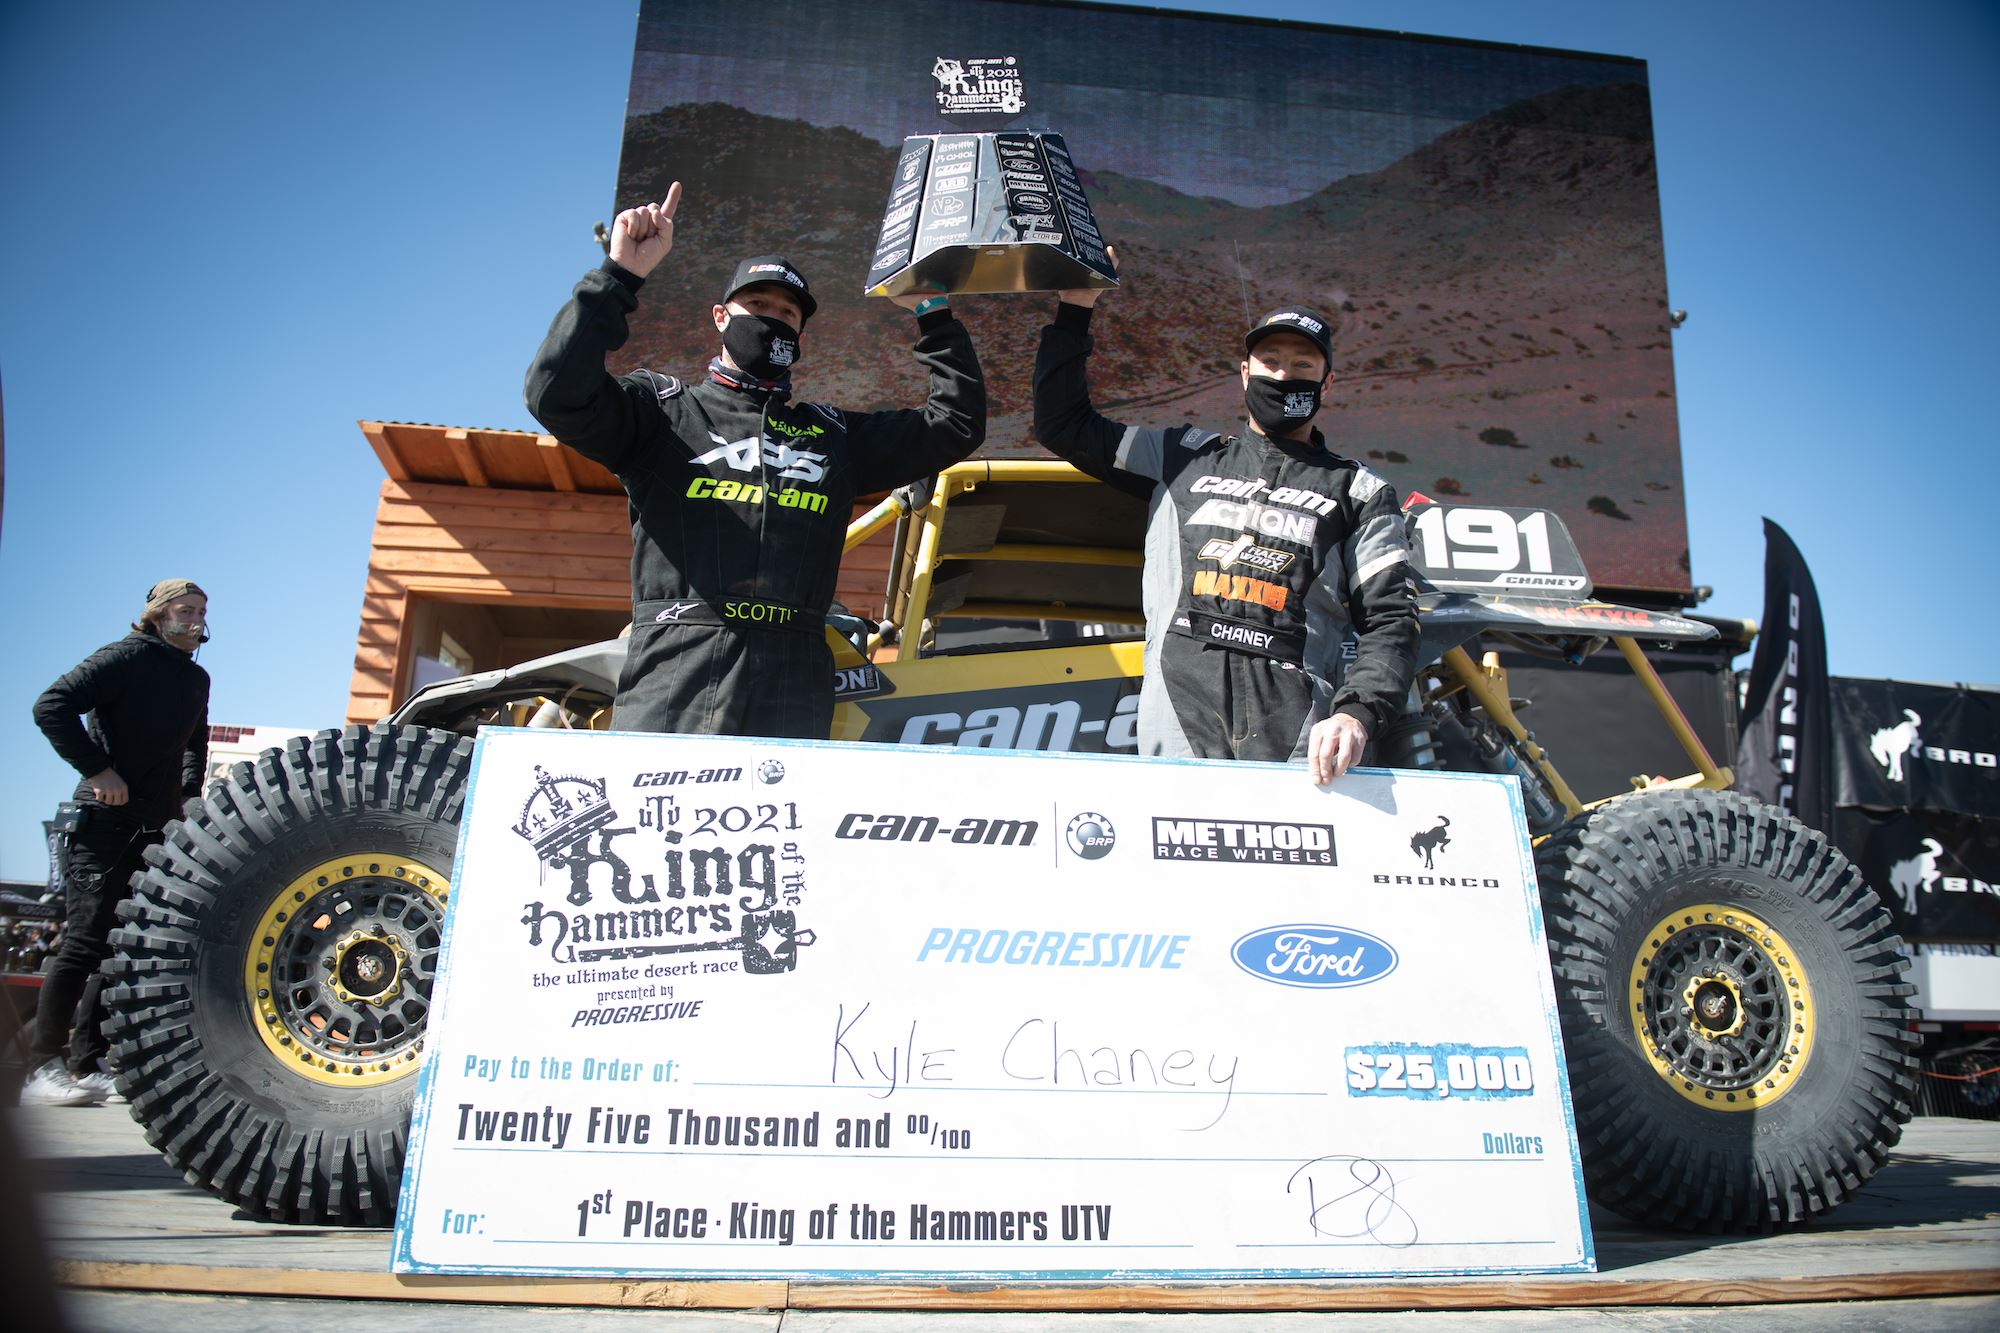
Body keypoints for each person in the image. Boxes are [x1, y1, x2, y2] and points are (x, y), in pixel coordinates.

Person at [525, 182, 987, 738]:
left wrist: (934, 312)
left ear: (799, 334)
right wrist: (619, 274)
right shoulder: (663, 412)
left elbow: (955, 424)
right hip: (677, 663)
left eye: (788, 313)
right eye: (759, 305)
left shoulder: (831, 434)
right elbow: (555, 393)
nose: (773, 318)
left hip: (794, 674)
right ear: (720, 316)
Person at [1033, 283, 1418, 784]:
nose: (1283, 375)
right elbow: (1062, 423)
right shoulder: (1179, 457)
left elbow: (1391, 620)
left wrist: (1357, 714)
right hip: (1177, 717)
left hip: (1300, 736)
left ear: (1327, 385)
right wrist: (1075, 310)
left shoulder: (1360, 491)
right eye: (1270, 361)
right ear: (1245, 374)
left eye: (1302, 366)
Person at [25, 579, 210, 1106]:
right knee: (83, 944)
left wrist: (188, 802)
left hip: (154, 829)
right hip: (102, 822)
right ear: (157, 614)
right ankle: (40, 1065)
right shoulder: (125, 656)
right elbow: (51, 705)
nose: (196, 618)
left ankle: (85, 1065)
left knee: (116, 949)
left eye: (201, 610)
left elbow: (193, 746)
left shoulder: (196, 678)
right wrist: (98, 769)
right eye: (185, 609)